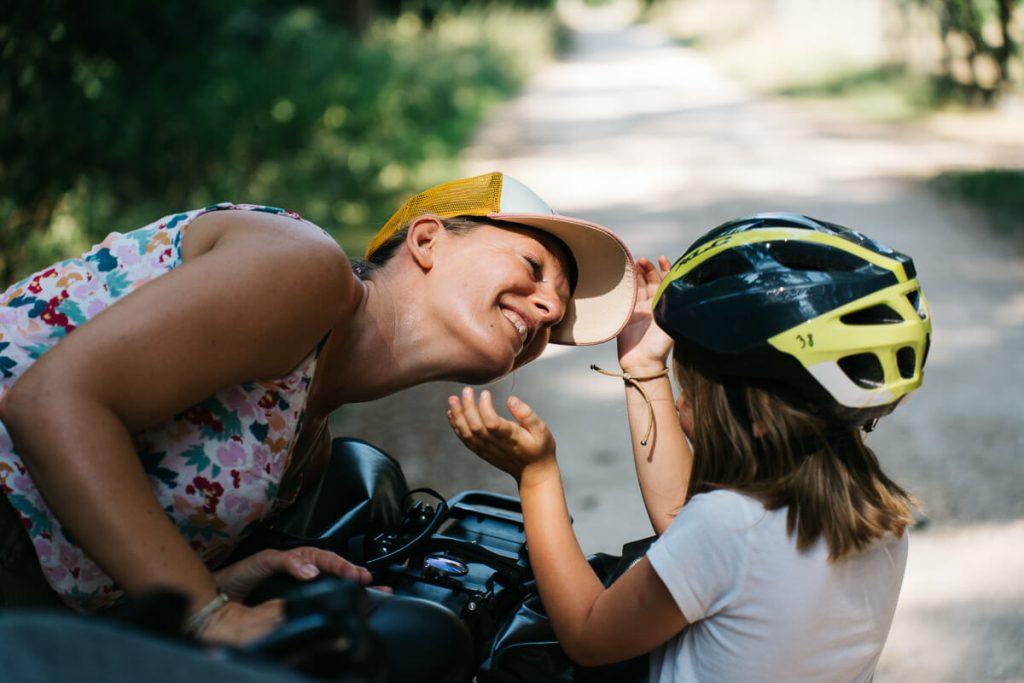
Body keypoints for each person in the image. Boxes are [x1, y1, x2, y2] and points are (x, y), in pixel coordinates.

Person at [0, 171, 637, 645]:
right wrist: (209, 613)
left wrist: (228, 581)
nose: (550, 310)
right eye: (533, 265)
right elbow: (49, 402)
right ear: (426, 240)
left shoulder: (306, 456)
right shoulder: (303, 268)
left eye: (558, 315)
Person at [448, 213, 931, 682]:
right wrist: (644, 368)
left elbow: (588, 634)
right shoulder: (873, 518)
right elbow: (687, 530)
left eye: (693, 384)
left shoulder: (727, 529)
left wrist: (536, 477)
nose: (680, 398)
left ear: (758, 416)